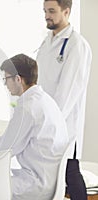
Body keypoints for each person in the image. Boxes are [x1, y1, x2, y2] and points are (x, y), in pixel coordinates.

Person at [0, 54, 69, 200]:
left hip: (36, 185)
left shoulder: (27, 108)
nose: (5, 84)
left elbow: (3, 151)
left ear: (18, 79)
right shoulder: (45, 100)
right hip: (48, 180)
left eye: (6, 79)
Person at [36, 0, 92, 199]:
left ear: (66, 11)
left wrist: (51, 122)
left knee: (70, 172)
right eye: (45, 11)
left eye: (51, 11)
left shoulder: (77, 45)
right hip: (45, 122)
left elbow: (68, 91)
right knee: (54, 177)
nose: (46, 15)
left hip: (63, 124)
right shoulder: (47, 42)